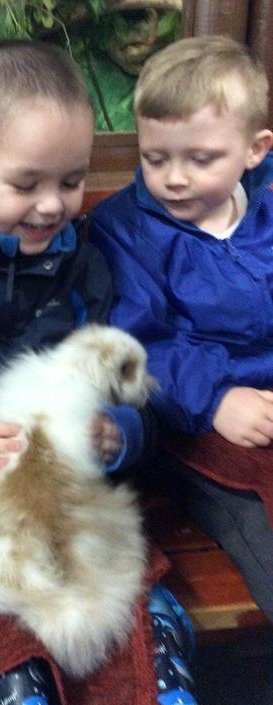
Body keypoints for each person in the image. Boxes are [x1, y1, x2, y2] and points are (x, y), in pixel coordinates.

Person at [0, 39, 197, 705]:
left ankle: (158, 671)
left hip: (75, 482)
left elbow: (132, 382)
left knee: (128, 599)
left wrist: (119, 432)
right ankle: (10, 685)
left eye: (71, 181)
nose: (52, 206)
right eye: (26, 185)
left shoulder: (88, 265)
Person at [90, 35, 273, 622]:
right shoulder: (124, 229)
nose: (173, 178)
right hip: (190, 419)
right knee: (261, 519)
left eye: (201, 160)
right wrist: (217, 398)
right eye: (155, 158)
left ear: (254, 149)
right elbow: (138, 341)